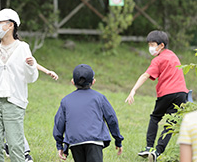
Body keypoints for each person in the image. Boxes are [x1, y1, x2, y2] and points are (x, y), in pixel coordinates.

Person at [0, 8, 39, 162]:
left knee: (15, 145)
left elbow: (31, 78)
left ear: (11, 25)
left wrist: (31, 66)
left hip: (14, 101)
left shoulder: (23, 48)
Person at [125, 30, 189, 162]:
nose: (150, 48)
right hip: (182, 94)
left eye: (152, 44)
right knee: (171, 124)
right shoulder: (173, 56)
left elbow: (145, 75)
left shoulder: (158, 60)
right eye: (149, 44)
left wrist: (133, 90)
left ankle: (149, 148)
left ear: (161, 45)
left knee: (155, 117)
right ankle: (158, 152)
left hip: (167, 93)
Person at [53, 64, 124, 162]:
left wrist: (60, 145)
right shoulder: (100, 98)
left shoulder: (65, 100)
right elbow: (111, 119)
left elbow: (59, 124)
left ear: (73, 82)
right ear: (93, 82)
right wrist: (118, 140)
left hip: (75, 142)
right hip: (94, 141)